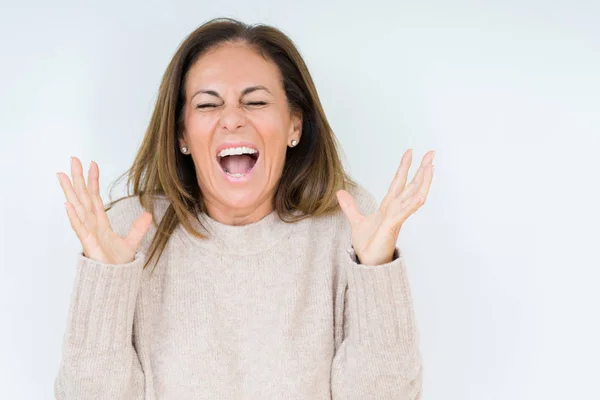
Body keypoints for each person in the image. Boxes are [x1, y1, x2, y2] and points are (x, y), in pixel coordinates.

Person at [54, 17, 433, 400]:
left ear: (294, 126)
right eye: (207, 104)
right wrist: (106, 281)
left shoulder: (345, 224)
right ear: (182, 134)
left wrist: (377, 271)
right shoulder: (131, 230)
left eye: (255, 102)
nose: (232, 118)